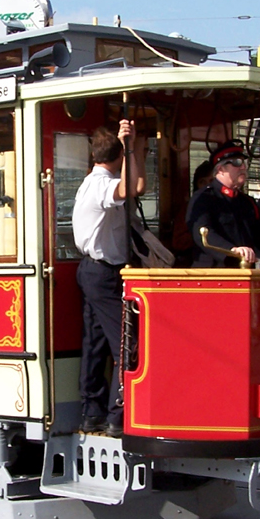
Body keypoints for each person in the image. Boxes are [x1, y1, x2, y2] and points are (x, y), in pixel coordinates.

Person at [72, 119, 145, 438]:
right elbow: (135, 187)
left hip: (92, 270)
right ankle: (119, 413)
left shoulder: (91, 180)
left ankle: (92, 411)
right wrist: (131, 148)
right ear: (117, 158)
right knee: (125, 343)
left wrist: (122, 145)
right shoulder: (102, 185)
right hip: (103, 273)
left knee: (95, 343)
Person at [187, 139, 260, 268]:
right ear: (221, 169)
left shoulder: (246, 202)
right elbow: (203, 234)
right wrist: (232, 250)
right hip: (213, 273)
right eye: (237, 163)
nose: (243, 167)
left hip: (244, 271)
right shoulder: (203, 198)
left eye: (244, 162)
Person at [172, 160, 214, 257]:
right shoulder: (189, 208)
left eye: (212, 181)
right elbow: (178, 242)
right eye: (202, 182)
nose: (208, 186)